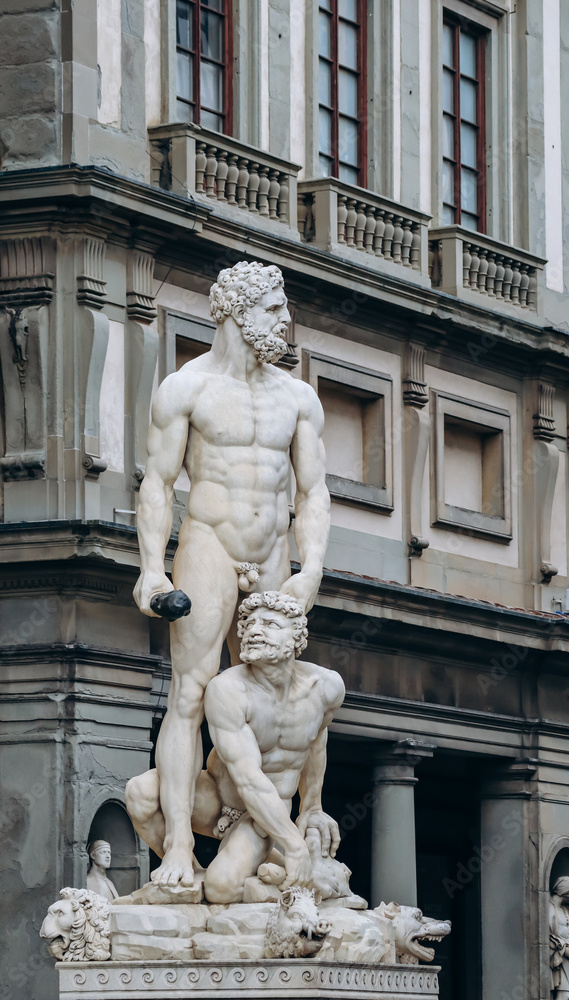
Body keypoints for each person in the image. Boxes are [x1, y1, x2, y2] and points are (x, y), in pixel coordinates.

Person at [133, 261, 331, 888]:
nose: (286, 320)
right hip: (210, 545)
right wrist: (151, 571)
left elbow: (315, 492)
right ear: (238, 312)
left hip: (273, 549)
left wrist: (312, 572)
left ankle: (284, 838)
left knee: (279, 691)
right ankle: (176, 853)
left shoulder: (298, 397)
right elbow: (158, 484)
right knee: (190, 695)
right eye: (275, 309)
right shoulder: (186, 389)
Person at [124, 592, 345, 903]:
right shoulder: (228, 689)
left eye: (269, 624)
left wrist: (312, 806)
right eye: (250, 624)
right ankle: (190, 872)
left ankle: (273, 875)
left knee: (222, 888)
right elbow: (247, 778)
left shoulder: (327, 687)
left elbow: (315, 740)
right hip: (217, 797)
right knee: (140, 792)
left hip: (266, 813)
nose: (255, 630)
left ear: (296, 636)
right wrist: (295, 845)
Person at [550, 876, 569, 1000]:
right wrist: (563, 949)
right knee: (564, 994)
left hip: (568, 957)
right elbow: (545, 937)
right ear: (566, 892)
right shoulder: (548, 908)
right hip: (558, 956)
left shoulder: (564, 910)